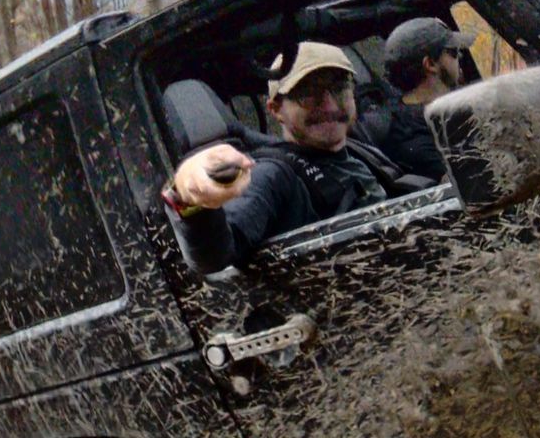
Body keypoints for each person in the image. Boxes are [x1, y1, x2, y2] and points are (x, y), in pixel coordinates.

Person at [163, 43, 396, 268]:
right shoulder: (272, 175)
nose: (329, 105)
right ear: (275, 109)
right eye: (308, 93)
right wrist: (187, 196)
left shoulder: (358, 149)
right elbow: (214, 257)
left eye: (339, 87)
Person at [361, 15, 475, 182]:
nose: (460, 57)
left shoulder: (440, 112)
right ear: (430, 64)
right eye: (453, 52)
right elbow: (467, 183)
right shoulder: (411, 135)